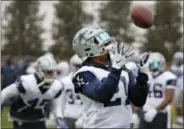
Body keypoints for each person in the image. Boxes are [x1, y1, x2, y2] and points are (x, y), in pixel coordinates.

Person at [71, 26, 150, 128]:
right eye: (102, 40)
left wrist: (142, 77)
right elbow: (102, 95)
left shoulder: (122, 68)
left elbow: (138, 101)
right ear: (88, 47)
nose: (108, 43)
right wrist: (116, 70)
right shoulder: (83, 74)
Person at [1, 55, 68, 129]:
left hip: (38, 117)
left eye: (54, 72)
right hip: (21, 115)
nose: (53, 75)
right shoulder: (27, 82)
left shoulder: (56, 86)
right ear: (40, 71)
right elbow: (5, 93)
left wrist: (59, 116)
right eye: (49, 72)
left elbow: (56, 102)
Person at [140, 52, 177, 129]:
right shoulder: (147, 76)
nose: (152, 66)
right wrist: (137, 111)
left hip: (160, 113)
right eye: (150, 63)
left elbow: (169, 98)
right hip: (145, 112)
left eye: (155, 64)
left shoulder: (169, 77)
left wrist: (155, 110)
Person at [57, 54, 84, 128]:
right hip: (68, 115)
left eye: (80, 66)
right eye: (76, 65)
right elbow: (61, 100)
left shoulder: (90, 81)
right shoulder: (65, 81)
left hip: (84, 116)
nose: (78, 68)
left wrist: (83, 117)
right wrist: (59, 115)